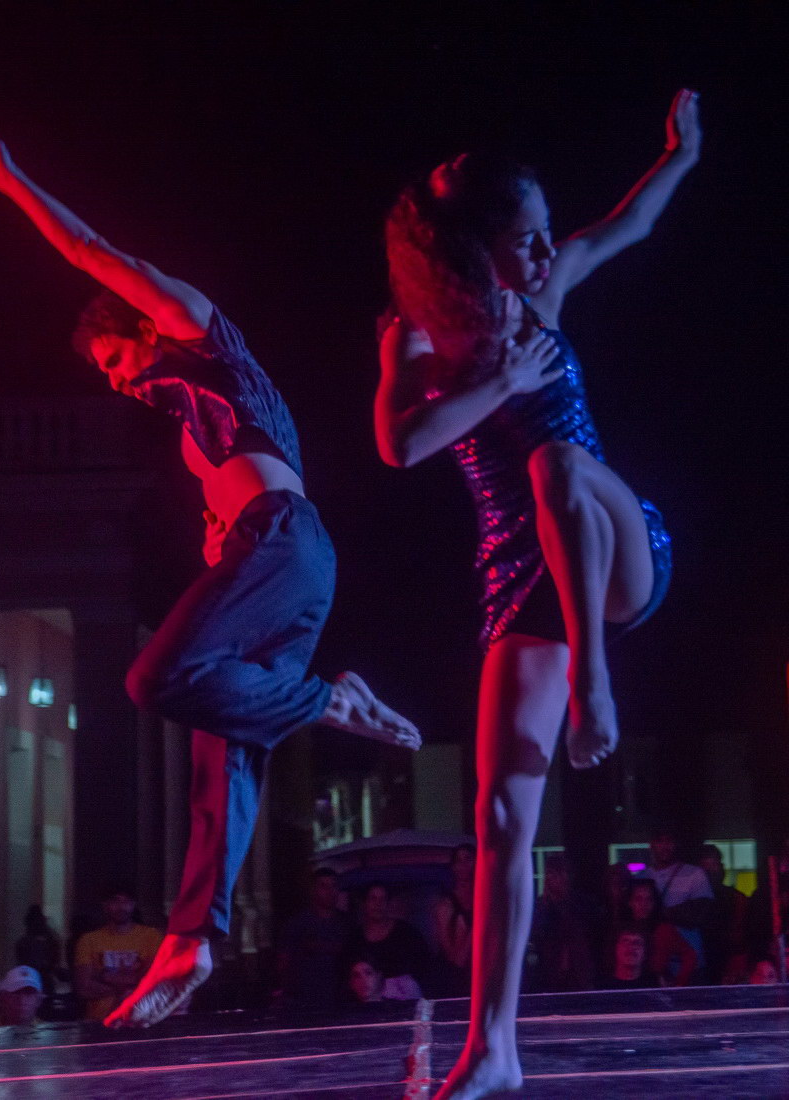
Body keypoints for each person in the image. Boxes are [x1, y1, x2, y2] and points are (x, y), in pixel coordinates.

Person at [0, 124, 420, 1028]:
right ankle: (192, 939)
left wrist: (14, 184)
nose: (121, 381)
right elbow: (222, 558)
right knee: (223, 755)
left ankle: (331, 703)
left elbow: (97, 252)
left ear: (141, 328)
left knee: (154, 677)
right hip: (277, 567)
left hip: (282, 543)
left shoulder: (201, 335)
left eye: (117, 361)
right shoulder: (190, 439)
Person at [376, 90, 700, 1097]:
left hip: (617, 547)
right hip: (521, 580)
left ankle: (597, 687)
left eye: (541, 232)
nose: (542, 247)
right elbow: (401, 442)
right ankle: (494, 1048)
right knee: (501, 815)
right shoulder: (418, 337)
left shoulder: (550, 289)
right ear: (473, 252)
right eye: (522, 237)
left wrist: (678, 155)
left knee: (555, 461)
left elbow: (628, 223)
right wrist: (496, 379)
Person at [73, 884, 163, 1022]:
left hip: (140, 1019)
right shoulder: (89, 940)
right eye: (116, 901)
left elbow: (152, 981)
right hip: (99, 1020)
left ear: (133, 905)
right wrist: (127, 990)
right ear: (105, 905)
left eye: (126, 902)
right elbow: (83, 988)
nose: (121, 907)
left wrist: (103, 977)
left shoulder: (151, 936)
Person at [278, 867, 352, 1012]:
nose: (330, 891)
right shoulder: (298, 924)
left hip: (339, 999)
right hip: (305, 1000)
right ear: (313, 890)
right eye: (324, 886)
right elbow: (283, 962)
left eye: (333, 886)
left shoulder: (347, 923)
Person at [647, 826, 713, 976]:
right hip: (655, 962)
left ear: (676, 843)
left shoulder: (694, 874)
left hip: (689, 963)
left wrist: (659, 913)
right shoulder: (642, 876)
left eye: (669, 841)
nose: (664, 846)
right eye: (660, 841)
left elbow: (701, 913)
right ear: (651, 844)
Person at [346, 883, 431, 993]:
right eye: (373, 899)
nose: (378, 904)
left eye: (383, 899)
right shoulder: (355, 939)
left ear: (388, 903)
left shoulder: (407, 933)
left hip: (405, 1001)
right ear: (365, 903)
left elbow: (424, 967)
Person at [528, 854, 595, 992]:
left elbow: (588, 937)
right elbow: (538, 937)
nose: (560, 878)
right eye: (553, 873)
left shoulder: (582, 904)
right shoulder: (540, 907)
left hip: (580, 972)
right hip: (548, 973)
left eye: (564, 872)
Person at [625, 877, 696, 987]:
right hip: (625, 989)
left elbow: (690, 955)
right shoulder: (621, 929)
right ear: (630, 902)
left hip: (655, 991)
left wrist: (680, 984)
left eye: (649, 899)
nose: (644, 904)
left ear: (654, 903)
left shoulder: (664, 931)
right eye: (638, 899)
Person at [698, 843, 748, 984]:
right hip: (702, 962)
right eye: (705, 868)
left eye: (714, 865)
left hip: (729, 960)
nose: (710, 872)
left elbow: (740, 932)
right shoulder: (694, 899)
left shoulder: (737, 898)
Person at [432, 844, 476, 995]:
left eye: (468, 859)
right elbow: (454, 959)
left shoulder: (487, 899)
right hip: (455, 980)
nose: (463, 865)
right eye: (458, 861)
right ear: (453, 867)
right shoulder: (446, 905)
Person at [15, 904, 61, 995]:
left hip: (29, 977)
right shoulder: (50, 939)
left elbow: (21, 960)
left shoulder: (24, 942)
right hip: (44, 978)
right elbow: (55, 958)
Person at [347, 953, 422, 1004]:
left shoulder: (396, 1008)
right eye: (356, 976)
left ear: (378, 976)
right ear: (351, 983)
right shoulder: (346, 1015)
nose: (363, 980)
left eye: (368, 973)